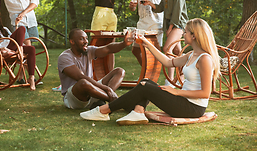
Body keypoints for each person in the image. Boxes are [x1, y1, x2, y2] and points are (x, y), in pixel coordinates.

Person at [80, 18, 220, 125]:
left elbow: (205, 93)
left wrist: (176, 91)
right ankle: (138, 111)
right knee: (146, 82)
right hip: (184, 101)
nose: (183, 33)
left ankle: (104, 110)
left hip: (192, 108)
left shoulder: (204, 59)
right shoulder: (192, 55)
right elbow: (168, 62)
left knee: (145, 86)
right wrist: (148, 44)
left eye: (185, 31)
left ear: (194, 36)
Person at [58, 28, 134, 110]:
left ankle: (101, 100)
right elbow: (80, 77)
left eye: (86, 38)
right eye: (81, 39)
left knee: (119, 71)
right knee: (83, 82)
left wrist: (124, 44)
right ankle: (118, 102)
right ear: (72, 42)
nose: (86, 41)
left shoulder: (89, 50)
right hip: (74, 98)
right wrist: (107, 89)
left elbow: (108, 49)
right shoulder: (64, 57)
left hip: (91, 91)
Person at [142, 0, 188, 86]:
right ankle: (183, 75)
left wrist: (171, 28)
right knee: (177, 51)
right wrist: (150, 3)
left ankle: (171, 80)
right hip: (170, 24)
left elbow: (177, 11)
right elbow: (161, 7)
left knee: (167, 49)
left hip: (178, 24)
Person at [0, 6, 37, 91]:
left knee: (31, 48)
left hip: (11, 47)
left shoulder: (4, 29)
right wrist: (7, 38)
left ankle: (31, 78)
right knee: (22, 28)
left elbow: (16, 36)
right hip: (0, 50)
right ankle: (20, 49)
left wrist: (16, 24)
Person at [129, 0, 164, 65]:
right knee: (135, 50)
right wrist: (132, 7)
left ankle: (152, 77)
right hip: (142, 24)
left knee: (155, 52)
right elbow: (133, 9)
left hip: (156, 23)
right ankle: (146, 71)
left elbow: (165, 4)